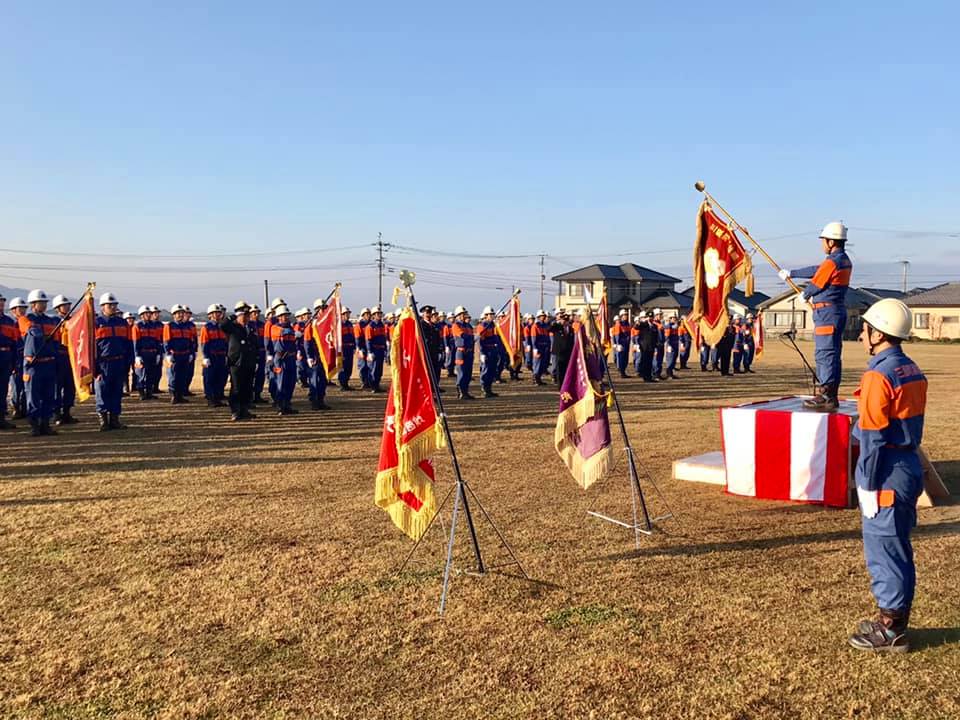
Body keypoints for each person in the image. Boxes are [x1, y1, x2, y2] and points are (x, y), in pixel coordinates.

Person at [847, 299, 926, 653]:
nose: (862, 333)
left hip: (885, 471)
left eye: (865, 328)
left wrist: (865, 482)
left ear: (877, 333)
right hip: (907, 465)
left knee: (884, 550)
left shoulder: (878, 375)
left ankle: (892, 628)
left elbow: (873, 437)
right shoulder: (911, 368)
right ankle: (893, 618)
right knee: (898, 547)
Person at [779, 221, 852, 411]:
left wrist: (806, 294)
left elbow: (818, 281)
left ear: (831, 242)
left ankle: (825, 394)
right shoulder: (842, 259)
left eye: (823, 241)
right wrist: (792, 274)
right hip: (834, 311)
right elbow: (817, 270)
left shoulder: (833, 261)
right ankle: (830, 393)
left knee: (825, 354)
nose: (822, 244)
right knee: (833, 354)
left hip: (827, 312)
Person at [20, 290, 59, 436]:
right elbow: (32, 330)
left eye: (44, 303)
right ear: (33, 304)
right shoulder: (25, 319)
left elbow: (56, 340)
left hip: (48, 363)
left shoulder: (50, 321)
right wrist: (42, 335)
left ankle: (45, 424)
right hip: (33, 365)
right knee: (33, 396)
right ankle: (34, 425)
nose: (43, 305)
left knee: (49, 395)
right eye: (40, 303)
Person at [94, 292, 133, 431]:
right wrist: (95, 369)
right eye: (109, 305)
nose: (112, 307)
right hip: (103, 363)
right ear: (102, 307)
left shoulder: (122, 323)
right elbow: (91, 347)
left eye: (114, 305)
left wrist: (128, 363)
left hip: (119, 362)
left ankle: (115, 419)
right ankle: (104, 421)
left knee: (116, 392)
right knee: (102, 392)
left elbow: (128, 344)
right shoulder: (96, 323)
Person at [220, 301, 258, 421]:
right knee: (236, 388)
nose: (246, 318)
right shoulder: (233, 327)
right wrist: (232, 316)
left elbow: (254, 344)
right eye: (243, 315)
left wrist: (256, 359)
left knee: (247, 387)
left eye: (247, 316)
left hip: (249, 362)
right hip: (236, 362)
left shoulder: (250, 328)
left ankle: (244, 409)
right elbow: (222, 325)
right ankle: (236, 411)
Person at [50, 294, 78, 424]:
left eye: (68, 305)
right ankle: (56, 413)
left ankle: (67, 412)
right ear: (58, 308)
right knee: (57, 386)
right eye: (64, 306)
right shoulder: (54, 322)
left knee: (70, 387)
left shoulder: (74, 321)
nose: (67, 307)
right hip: (59, 357)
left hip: (71, 357)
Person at [164, 303, 197, 404]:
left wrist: (192, 353)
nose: (180, 315)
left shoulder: (187, 327)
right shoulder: (169, 326)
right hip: (175, 355)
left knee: (183, 376)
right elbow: (166, 341)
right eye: (178, 313)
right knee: (174, 376)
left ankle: (180, 395)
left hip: (185, 354)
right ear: (173, 315)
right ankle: (174, 395)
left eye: (182, 313)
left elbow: (191, 341)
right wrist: (168, 354)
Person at [270, 305, 299, 415]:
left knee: (290, 382)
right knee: (281, 382)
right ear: (278, 317)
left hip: (290, 357)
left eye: (286, 316)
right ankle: (280, 405)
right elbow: (281, 332)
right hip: (281, 358)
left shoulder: (291, 328)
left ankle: (287, 404)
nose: (285, 318)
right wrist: (294, 333)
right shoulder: (275, 328)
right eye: (283, 316)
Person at [303, 298, 330, 410]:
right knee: (314, 379)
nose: (323, 311)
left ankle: (321, 400)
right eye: (321, 309)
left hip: (324, 356)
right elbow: (307, 341)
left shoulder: (327, 323)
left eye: (324, 308)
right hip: (315, 356)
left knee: (323, 380)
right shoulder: (312, 325)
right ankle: (314, 401)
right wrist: (309, 356)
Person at [200, 303, 228, 407]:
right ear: (210, 315)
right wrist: (206, 357)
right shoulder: (206, 328)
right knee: (210, 378)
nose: (217, 315)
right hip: (211, 356)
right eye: (214, 313)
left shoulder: (222, 327)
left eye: (218, 313)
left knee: (220, 378)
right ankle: (211, 399)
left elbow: (226, 342)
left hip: (221, 356)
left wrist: (226, 355)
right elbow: (204, 343)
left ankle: (217, 398)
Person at [133, 305, 163, 401]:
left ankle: (149, 393)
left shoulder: (154, 326)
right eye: (146, 314)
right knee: (141, 374)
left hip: (153, 353)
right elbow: (135, 342)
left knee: (151, 374)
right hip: (142, 353)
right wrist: (137, 355)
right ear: (141, 315)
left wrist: (158, 353)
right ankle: (142, 393)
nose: (149, 315)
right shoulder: (137, 327)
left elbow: (158, 340)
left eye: (149, 313)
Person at [0, 293, 21, 430]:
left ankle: (1, 418)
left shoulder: (9, 322)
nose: (1, 304)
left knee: (2, 390)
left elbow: (14, 344)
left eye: (2, 302)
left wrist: (14, 363)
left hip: (6, 357)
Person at [8, 296, 28, 419]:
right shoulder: (12, 325)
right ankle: (16, 408)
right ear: (13, 311)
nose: (22, 311)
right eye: (19, 308)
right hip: (16, 358)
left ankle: (25, 408)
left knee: (27, 386)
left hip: (26, 358)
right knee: (16, 386)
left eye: (24, 308)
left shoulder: (28, 323)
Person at [451, 306, 475, 400]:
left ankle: (466, 391)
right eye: (461, 314)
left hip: (469, 351)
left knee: (468, 373)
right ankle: (461, 392)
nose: (463, 316)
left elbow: (470, 336)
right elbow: (463, 335)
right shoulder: (456, 325)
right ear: (457, 316)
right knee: (461, 372)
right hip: (460, 352)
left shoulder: (468, 325)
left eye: (463, 314)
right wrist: (472, 338)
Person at [476, 306, 500, 398]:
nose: (492, 316)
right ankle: (484, 389)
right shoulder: (482, 326)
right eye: (490, 314)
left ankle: (489, 389)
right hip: (486, 351)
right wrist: (482, 353)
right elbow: (480, 341)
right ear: (486, 315)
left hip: (493, 350)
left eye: (493, 314)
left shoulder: (493, 325)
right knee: (485, 370)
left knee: (492, 370)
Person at [364, 306, 387, 393]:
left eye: (380, 313)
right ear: (373, 315)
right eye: (377, 314)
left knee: (379, 370)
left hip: (381, 350)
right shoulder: (370, 326)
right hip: (374, 350)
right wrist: (370, 352)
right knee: (373, 369)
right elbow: (368, 340)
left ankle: (377, 385)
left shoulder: (381, 325)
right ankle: (373, 386)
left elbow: (383, 338)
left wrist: (385, 349)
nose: (379, 315)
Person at [247, 304, 267, 403]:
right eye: (254, 312)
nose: (256, 314)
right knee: (250, 375)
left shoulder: (262, 325)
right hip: (251, 353)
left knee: (260, 375)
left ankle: (258, 395)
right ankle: (250, 396)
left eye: (257, 312)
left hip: (262, 352)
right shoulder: (247, 325)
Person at [550, 311, 575, 385]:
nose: (565, 322)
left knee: (567, 369)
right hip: (559, 352)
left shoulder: (570, 329)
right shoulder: (557, 327)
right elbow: (550, 329)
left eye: (566, 320)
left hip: (568, 352)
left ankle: (566, 384)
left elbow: (571, 340)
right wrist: (557, 322)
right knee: (559, 370)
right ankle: (560, 385)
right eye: (563, 320)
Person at [530, 310, 552, 386]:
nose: (543, 317)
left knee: (543, 364)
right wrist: (535, 350)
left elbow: (547, 337)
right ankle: (535, 378)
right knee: (537, 364)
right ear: (538, 317)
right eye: (542, 316)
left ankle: (539, 378)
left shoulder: (545, 326)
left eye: (544, 316)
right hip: (538, 347)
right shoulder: (535, 326)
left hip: (545, 347)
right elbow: (534, 340)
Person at [339, 306, 357, 390]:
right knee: (343, 366)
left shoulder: (349, 324)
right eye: (346, 314)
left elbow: (353, 336)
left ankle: (346, 383)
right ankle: (342, 383)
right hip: (343, 348)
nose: (348, 315)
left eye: (348, 313)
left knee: (349, 366)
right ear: (342, 314)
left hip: (350, 348)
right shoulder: (339, 325)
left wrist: (354, 346)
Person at [611, 310, 631, 378]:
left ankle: (624, 371)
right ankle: (622, 372)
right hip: (621, 344)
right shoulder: (619, 324)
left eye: (626, 315)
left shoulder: (627, 324)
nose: (626, 316)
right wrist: (618, 344)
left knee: (626, 359)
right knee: (621, 358)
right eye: (624, 315)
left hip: (627, 344)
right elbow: (617, 335)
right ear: (621, 316)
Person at [355, 307, 371, 388]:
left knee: (370, 366)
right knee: (363, 366)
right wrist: (359, 348)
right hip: (362, 348)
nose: (368, 315)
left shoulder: (371, 324)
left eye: (369, 314)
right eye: (366, 314)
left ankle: (369, 381)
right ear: (363, 315)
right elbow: (357, 338)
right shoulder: (359, 325)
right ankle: (364, 382)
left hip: (369, 348)